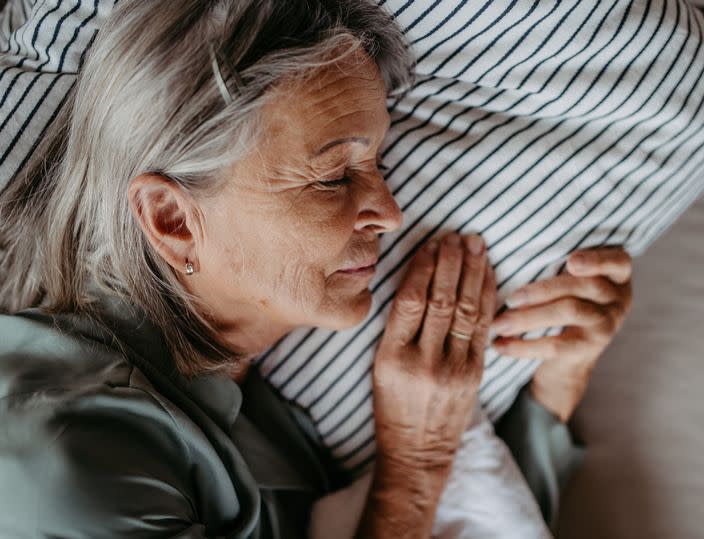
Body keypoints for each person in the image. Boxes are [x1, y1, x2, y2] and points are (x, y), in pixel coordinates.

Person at [0, 1, 633, 537]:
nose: (389, 212)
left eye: (378, 164)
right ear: (172, 219)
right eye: (334, 177)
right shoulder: (65, 466)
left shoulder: (237, 385)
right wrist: (413, 474)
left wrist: (556, 384)